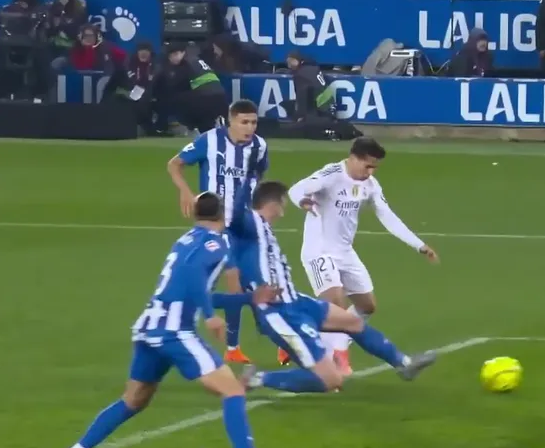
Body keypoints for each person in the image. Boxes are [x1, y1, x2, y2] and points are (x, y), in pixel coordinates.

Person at [52, 192, 290, 448]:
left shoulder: (186, 240)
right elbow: (193, 276)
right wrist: (210, 316)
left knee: (134, 400)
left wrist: (249, 299)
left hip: (150, 327)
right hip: (174, 331)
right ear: (222, 215)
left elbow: (197, 289)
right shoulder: (215, 243)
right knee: (232, 391)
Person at [227, 181, 439, 393]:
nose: (283, 212)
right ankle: (257, 379)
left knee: (353, 322)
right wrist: (247, 176)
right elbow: (235, 217)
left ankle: (404, 364)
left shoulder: (263, 229)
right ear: (274, 203)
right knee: (332, 380)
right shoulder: (249, 225)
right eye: (282, 205)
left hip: (296, 301)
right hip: (279, 313)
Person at [287, 137, 439, 373]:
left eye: (374, 167)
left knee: (367, 307)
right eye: (367, 166)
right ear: (353, 158)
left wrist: (418, 245)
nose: (371, 172)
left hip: (345, 252)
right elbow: (296, 189)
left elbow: (387, 216)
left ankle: (302, 338)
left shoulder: (371, 185)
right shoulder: (331, 174)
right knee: (336, 305)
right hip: (320, 251)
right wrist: (303, 201)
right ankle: (337, 359)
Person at [167, 99, 268, 364]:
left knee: (260, 282)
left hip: (246, 225)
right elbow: (174, 164)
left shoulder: (259, 146)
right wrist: (185, 192)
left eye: (254, 122)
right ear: (231, 120)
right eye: (244, 122)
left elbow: (258, 175)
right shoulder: (209, 141)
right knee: (234, 282)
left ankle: (276, 335)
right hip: (218, 225)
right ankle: (232, 347)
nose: (249, 128)